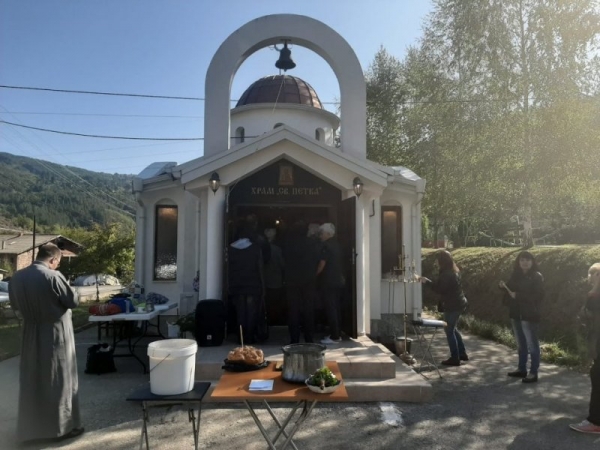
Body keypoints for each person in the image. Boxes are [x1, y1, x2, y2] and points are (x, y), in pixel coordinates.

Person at [8, 243, 84, 443]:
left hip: (30, 333)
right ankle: (61, 428)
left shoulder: (17, 278)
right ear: (53, 259)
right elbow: (72, 301)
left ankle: (31, 430)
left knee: (32, 379)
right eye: (58, 262)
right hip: (55, 333)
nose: (57, 265)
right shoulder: (53, 276)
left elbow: (15, 305)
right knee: (58, 378)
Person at [417, 250, 468, 366]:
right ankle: (462, 353)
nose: (436, 262)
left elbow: (440, 289)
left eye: (437, 260)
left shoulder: (447, 274)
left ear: (442, 261)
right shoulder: (452, 271)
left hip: (454, 305)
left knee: (449, 330)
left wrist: (427, 282)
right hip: (457, 303)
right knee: (452, 328)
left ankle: (455, 358)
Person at [499, 251, 544, 383]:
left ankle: (533, 372)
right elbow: (509, 288)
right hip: (516, 313)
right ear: (518, 262)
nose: (525, 262)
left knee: (532, 344)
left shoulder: (537, 276)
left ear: (532, 262)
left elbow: (538, 296)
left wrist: (518, 296)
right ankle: (521, 369)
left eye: (528, 260)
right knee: (521, 344)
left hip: (529, 314)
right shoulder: (516, 275)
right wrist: (502, 286)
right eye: (522, 260)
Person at [570, 263, 600, 433]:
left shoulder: (595, 295)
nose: (591, 277)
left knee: (597, 376)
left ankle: (596, 422)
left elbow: (589, 307)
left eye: (595, 274)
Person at [282, 221, 319, 344]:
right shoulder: (312, 243)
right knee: (309, 309)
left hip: (292, 280)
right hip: (308, 279)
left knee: (293, 310)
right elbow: (316, 259)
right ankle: (309, 338)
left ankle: (294, 338)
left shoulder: (288, 244)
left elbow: (284, 260)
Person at [228, 226, 264, 345]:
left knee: (240, 313)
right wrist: (262, 285)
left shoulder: (231, 249)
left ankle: (241, 337)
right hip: (253, 284)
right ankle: (250, 337)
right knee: (251, 313)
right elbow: (259, 267)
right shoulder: (255, 248)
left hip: (237, 284)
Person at [317, 223, 344, 345]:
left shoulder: (326, 246)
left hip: (328, 281)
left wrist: (314, 275)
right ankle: (337, 333)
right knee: (336, 307)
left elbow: (322, 264)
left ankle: (335, 336)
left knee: (331, 308)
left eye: (321, 233)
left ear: (328, 234)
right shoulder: (337, 245)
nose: (320, 236)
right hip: (338, 280)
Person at [263, 228, 285, 325]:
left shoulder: (260, 248)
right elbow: (282, 265)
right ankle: (274, 320)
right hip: (276, 279)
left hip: (263, 279)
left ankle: (266, 320)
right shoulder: (277, 249)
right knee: (275, 302)